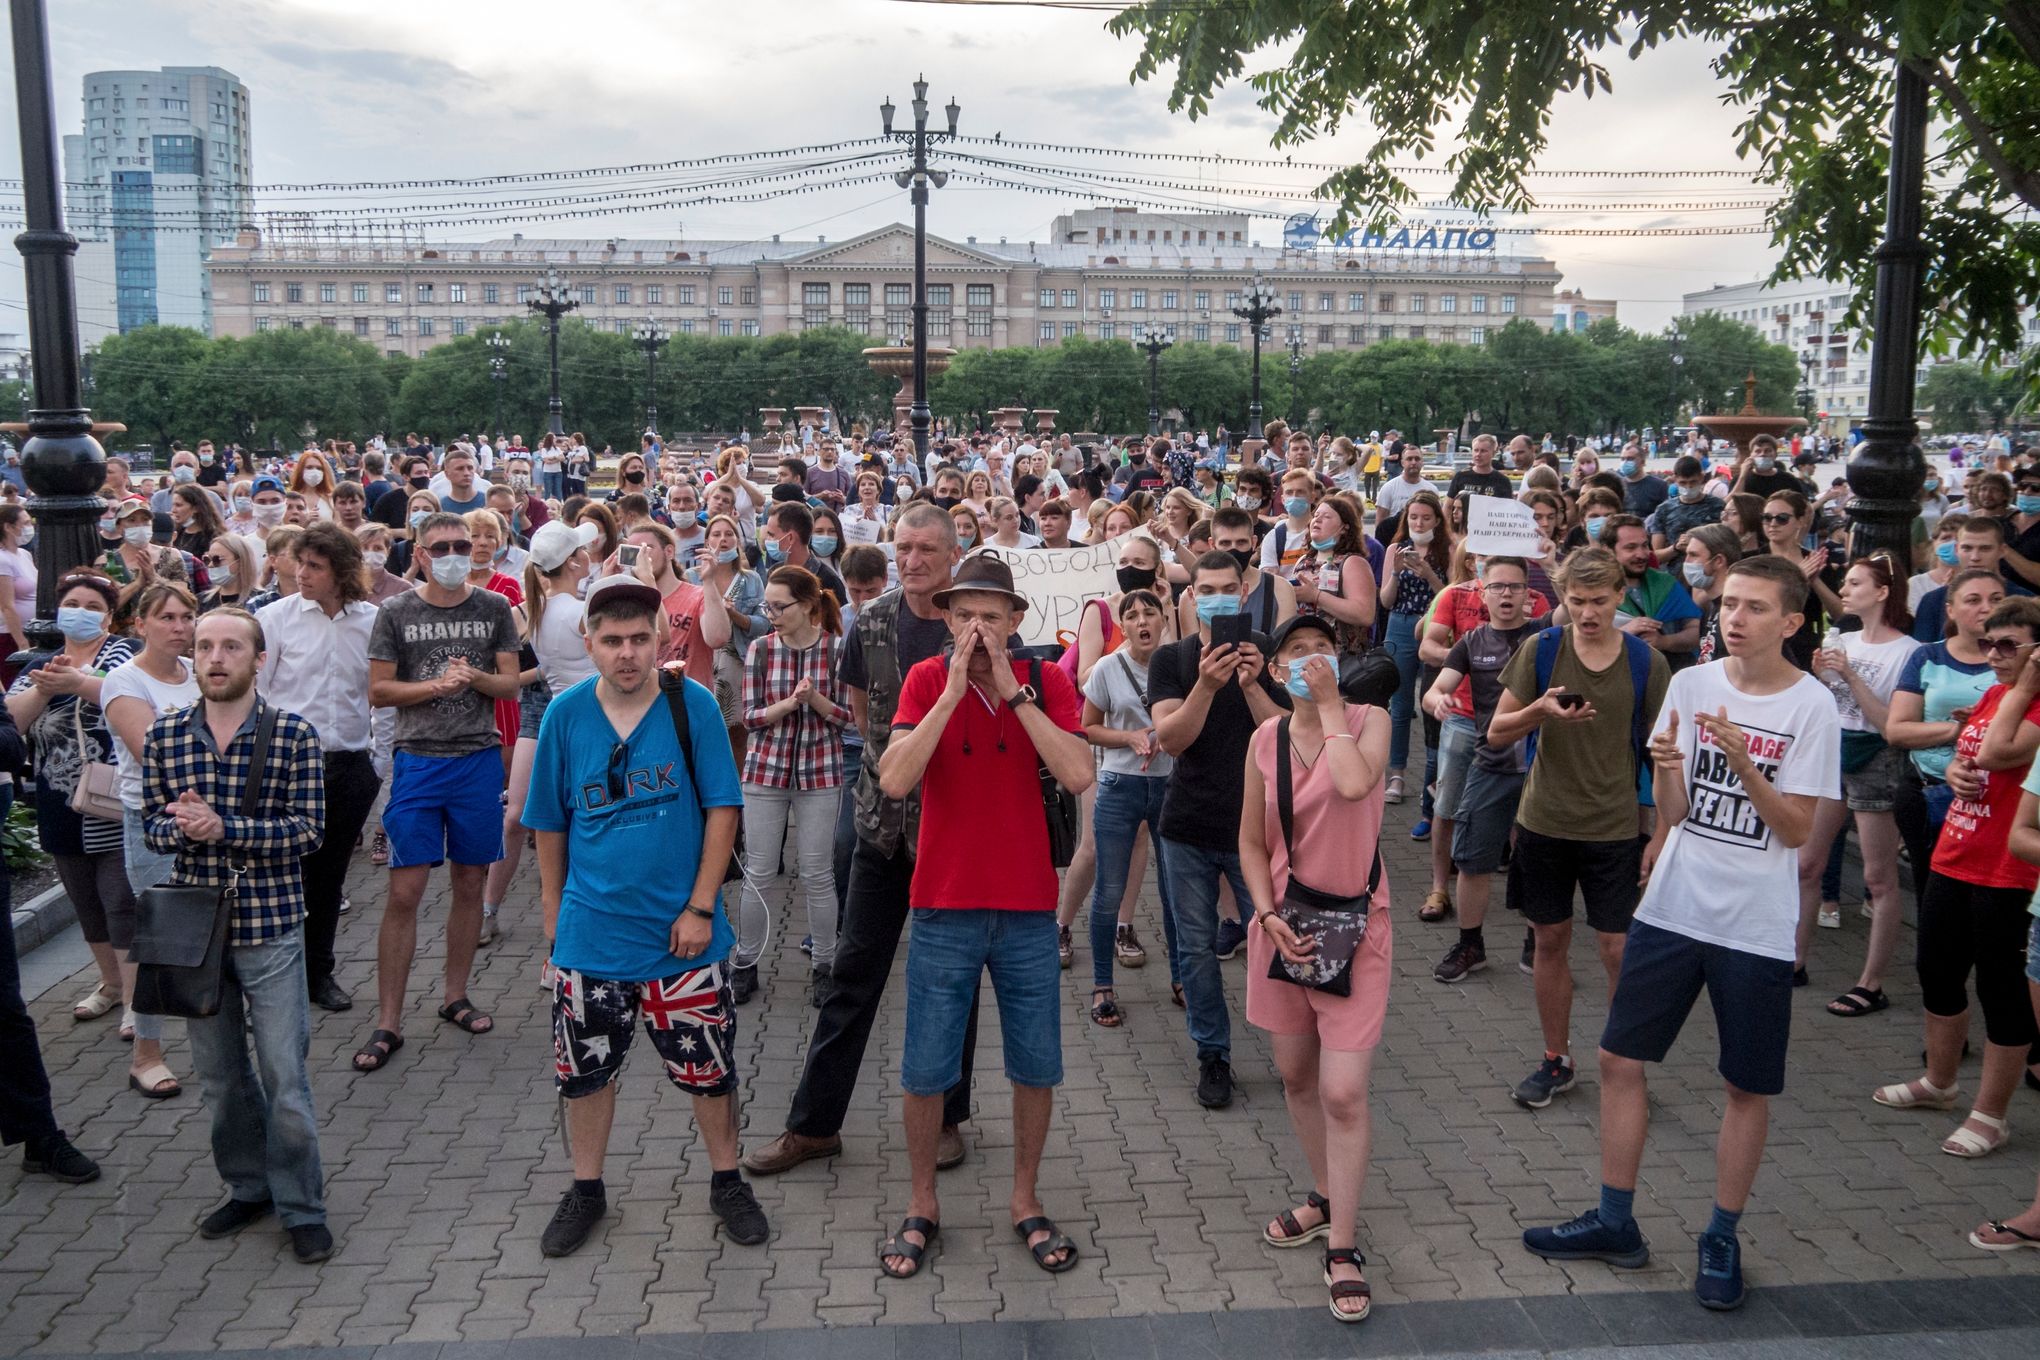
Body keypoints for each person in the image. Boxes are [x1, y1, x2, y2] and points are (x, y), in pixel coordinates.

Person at [1522, 556, 1839, 1312]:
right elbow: (1673, 811)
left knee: (1744, 1083)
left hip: (1755, 926)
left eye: (1756, 607)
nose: (1735, 618)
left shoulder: (1812, 707)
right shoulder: (1692, 685)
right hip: (1672, 908)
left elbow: (1798, 831)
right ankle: (1614, 1219)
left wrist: (1744, 765)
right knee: (1619, 1060)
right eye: (1729, 604)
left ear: (1791, 622)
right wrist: (1667, 770)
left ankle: (1721, 1234)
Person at [520, 572, 767, 1258]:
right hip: (591, 935)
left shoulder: (692, 705)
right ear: (588, 643)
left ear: (660, 636)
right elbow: (549, 824)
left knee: (710, 1071)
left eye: (638, 638)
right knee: (585, 1073)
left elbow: (723, 806)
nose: (626, 653)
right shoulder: (566, 715)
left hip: (682, 940)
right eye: (611, 640)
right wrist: (552, 916)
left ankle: (726, 1179)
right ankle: (586, 1188)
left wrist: (699, 906)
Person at [742, 504, 980, 1178]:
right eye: (904, 547)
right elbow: (857, 709)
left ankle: (950, 1117)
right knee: (853, 978)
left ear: (953, 554)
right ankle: (814, 1127)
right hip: (883, 828)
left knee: (951, 983)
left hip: (954, 832)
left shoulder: (973, 627)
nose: (913, 560)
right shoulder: (870, 621)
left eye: (928, 549)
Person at [873, 553, 1092, 1281]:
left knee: (1036, 1064)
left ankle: (1025, 1198)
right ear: (944, 617)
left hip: (1029, 906)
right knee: (925, 1066)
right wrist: (952, 694)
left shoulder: (1049, 679)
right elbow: (896, 778)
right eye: (963, 615)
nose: (976, 628)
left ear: (1015, 623)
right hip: (943, 902)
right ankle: (922, 1202)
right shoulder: (926, 678)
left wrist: (1013, 691)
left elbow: (1079, 773)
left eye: (990, 617)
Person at [142, 608, 331, 1262]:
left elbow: (309, 831)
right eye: (204, 647)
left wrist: (228, 829)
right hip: (195, 931)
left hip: (271, 925)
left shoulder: (292, 736)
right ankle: (249, 1186)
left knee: (285, 1077)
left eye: (230, 646)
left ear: (258, 659)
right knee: (220, 1077)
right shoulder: (167, 736)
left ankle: (302, 1206)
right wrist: (183, 827)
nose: (215, 657)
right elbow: (150, 827)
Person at [1240, 613, 1391, 1322]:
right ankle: (1327, 1194)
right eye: (1294, 653)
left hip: (1358, 928)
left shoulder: (1369, 721)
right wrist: (1265, 914)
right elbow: (1248, 841)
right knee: (1298, 1078)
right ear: (1274, 670)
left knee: (1343, 1092)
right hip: (1284, 926)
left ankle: (1344, 1245)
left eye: (1321, 649)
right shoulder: (1263, 741)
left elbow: (1357, 786)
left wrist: (1331, 705)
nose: (1310, 660)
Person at [1486, 547, 1669, 1109]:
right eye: (1576, 600)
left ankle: (1622, 1065)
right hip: (1544, 822)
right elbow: (1496, 733)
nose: (1587, 613)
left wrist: (1660, 833)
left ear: (1620, 596)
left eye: (1598, 601)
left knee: (1617, 948)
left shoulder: (1646, 663)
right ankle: (1555, 1059)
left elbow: (1662, 755)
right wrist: (1539, 710)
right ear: (1562, 598)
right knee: (1550, 941)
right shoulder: (1541, 650)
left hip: (1614, 827)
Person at [1872, 597, 2040, 1159]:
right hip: (1956, 852)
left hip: (2007, 869)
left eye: (2009, 646)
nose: (1993, 656)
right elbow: (1969, 751)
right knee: (1937, 968)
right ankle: (1940, 1084)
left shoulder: (2028, 703)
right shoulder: (1996, 694)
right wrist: (1951, 766)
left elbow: (1996, 751)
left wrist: (2024, 687)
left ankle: (1991, 1116)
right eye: (1988, 643)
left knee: (2001, 988)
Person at [355, 513, 521, 1073]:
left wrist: (472, 679)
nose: (455, 553)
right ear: (421, 554)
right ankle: (389, 1020)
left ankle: (455, 994)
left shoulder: (493, 608)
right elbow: (378, 692)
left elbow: (509, 683)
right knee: (405, 891)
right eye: (441, 547)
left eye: (463, 545)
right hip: (419, 761)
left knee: (470, 881)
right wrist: (433, 686)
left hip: (476, 758)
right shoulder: (396, 611)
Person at [1152, 550, 1292, 1109]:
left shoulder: (1270, 653)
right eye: (1205, 588)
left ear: (1244, 592)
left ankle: (1293, 1051)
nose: (1216, 597)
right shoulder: (1172, 659)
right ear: (1191, 597)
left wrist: (1254, 683)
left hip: (1257, 831)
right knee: (1196, 950)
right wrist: (1206, 686)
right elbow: (1171, 740)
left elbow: (1288, 739)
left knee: (1278, 938)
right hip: (1187, 826)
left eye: (1227, 588)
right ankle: (1214, 1055)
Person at [254, 522, 383, 1013]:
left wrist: (379, 762)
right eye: (298, 562)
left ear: (343, 572)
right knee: (282, 876)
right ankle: (272, 982)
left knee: (328, 879)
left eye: (314, 565)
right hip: (288, 767)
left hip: (349, 764)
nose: (300, 573)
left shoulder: (372, 620)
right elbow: (258, 694)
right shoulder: (275, 619)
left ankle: (318, 974)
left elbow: (380, 696)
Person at [4, 572, 136, 1036]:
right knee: (85, 900)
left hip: (112, 795)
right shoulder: (35, 667)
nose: (78, 611)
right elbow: (11, 726)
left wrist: (76, 679)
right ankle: (110, 983)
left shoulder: (120, 653)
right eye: (71, 602)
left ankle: (136, 1002)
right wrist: (43, 688)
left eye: (90, 605)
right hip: (59, 801)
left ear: (108, 616)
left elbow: (121, 690)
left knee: (120, 899)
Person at [1802, 557, 1919, 1015]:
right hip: (1835, 753)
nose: (1844, 590)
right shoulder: (1843, 638)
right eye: (1845, 582)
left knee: (1877, 877)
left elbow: (1891, 724)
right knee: (1808, 864)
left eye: (1854, 583)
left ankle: (1871, 982)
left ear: (1883, 592)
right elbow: (1832, 705)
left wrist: (1848, 674)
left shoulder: (1909, 651)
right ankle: (1794, 959)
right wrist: (1820, 676)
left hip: (1877, 760)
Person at [98, 582, 201, 1098]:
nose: (180, 627)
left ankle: (212, 1025)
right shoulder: (123, 682)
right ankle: (147, 1053)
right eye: (167, 617)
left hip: (209, 818)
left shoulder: (198, 675)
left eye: (187, 616)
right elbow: (151, 755)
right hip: (154, 823)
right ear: (141, 624)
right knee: (160, 937)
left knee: (212, 926)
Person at [736, 565, 853, 1007]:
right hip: (765, 772)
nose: (772, 614)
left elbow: (848, 719)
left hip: (820, 772)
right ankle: (745, 962)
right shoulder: (761, 650)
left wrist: (816, 701)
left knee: (818, 874)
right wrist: (789, 703)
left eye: (779, 606)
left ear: (807, 606)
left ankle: (825, 964)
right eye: (768, 606)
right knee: (759, 872)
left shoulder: (836, 650)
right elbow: (749, 717)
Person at [1423, 557, 1543, 982]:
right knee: (1473, 859)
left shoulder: (1545, 637)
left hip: (1542, 771)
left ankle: (1537, 942)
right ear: (1482, 593)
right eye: (1498, 587)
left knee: (1537, 860)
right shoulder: (1471, 643)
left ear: (1530, 594)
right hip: (1491, 765)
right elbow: (1437, 689)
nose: (1506, 594)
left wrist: (1549, 558)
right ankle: (1470, 944)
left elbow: (1573, 605)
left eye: (1515, 587)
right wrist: (1438, 701)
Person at [1078, 588, 1178, 1026]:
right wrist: (1131, 737)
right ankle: (1102, 985)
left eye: (1150, 614)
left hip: (1170, 786)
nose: (1142, 622)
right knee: (1108, 892)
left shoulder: (1178, 664)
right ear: (1122, 626)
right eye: (1132, 616)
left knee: (1177, 892)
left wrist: (1166, 738)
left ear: (1163, 620)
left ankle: (1182, 979)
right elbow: (1089, 728)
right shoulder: (1106, 667)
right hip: (1119, 785)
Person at [1378, 490, 1450, 805]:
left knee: (1434, 702)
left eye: (1426, 517)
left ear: (1438, 520)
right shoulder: (1397, 548)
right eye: (1414, 517)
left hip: (1437, 626)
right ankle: (1397, 774)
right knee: (1400, 704)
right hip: (1401, 624)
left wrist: (1431, 576)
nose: (1419, 523)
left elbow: (1453, 595)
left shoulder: (1448, 549)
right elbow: (1385, 600)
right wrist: (1395, 571)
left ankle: (1435, 778)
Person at [1645, 456, 1722, 556]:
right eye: (1683, 483)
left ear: (1701, 477)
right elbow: (1656, 556)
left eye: (1693, 482)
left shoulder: (1717, 506)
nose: (1688, 487)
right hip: (1673, 569)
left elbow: (1725, 546)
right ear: (1675, 479)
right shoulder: (1664, 509)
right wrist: (1675, 548)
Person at [1446, 433, 1513, 504]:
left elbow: (1507, 508)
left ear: (1493, 453)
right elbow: (1448, 505)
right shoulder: (1460, 476)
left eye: (1483, 451)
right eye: (1476, 450)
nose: (1478, 454)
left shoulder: (1503, 481)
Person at [1374, 444, 1429, 524]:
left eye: (1417, 459)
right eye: (1409, 459)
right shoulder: (1388, 488)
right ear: (1402, 462)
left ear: (1422, 462)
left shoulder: (1431, 489)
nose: (1413, 462)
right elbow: (1380, 522)